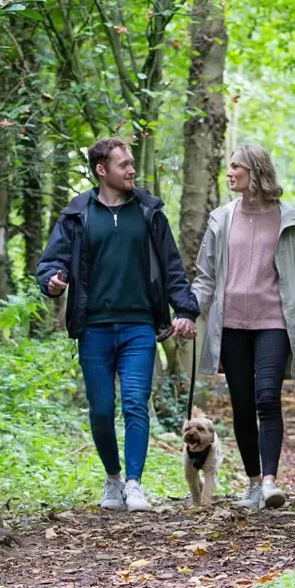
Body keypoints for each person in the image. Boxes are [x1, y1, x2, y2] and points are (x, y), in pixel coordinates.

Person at [36, 138, 198, 513]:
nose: (131, 170)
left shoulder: (149, 211)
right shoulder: (77, 213)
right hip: (93, 327)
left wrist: (186, 310)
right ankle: (113, 478)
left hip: (138, 325)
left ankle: (135, 483)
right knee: (101, 410)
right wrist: (52, 281)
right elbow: (50, 263)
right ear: (101, 170)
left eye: (131, 163)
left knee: (136, 404)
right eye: (123, 164)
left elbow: (172, 267)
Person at [191, 144, 295, 510]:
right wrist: (188, 313)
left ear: (255, 170)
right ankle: (253, 483)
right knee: (241, 404)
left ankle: (270, 482)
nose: (229, 172)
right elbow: (205, 277)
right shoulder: (221, 219)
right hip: (232, 325)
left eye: (236, 166)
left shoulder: (288, 220)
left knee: (267, 397)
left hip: (273, 322)